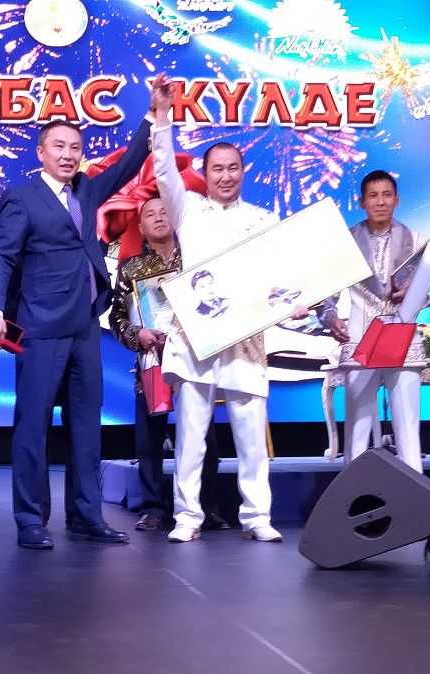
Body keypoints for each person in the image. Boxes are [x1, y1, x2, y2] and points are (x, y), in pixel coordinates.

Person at [0, 76, 168, 550]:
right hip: (40, 325)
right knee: (33, 425)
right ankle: (30, 519)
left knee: (87, 427)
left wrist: (152, 115)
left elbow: (128, 163)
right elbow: (2, 257)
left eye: (75, 148)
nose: (67, 155)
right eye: (59, 146)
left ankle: (86, 515)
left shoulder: (86, 189)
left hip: (85, 324)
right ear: (41, 152)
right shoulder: (22, 197)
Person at [151, 83, 304, 543]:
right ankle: (187, 517)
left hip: (246, 341)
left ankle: (257, 517)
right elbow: (164, 168)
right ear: (204, 173)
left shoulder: (263, 219)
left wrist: (294, 306)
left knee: (251, 436)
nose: (225, 176)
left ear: (242, 171)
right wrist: (162, 119)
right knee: (191, 436)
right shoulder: (188, 210)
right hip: (196, 339)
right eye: (217, 168)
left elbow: (278, 280)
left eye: (232, 168)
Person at [109, 197, 228, 531]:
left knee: (203, 435)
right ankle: (153, 507)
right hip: (151, 361)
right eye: (151, 214)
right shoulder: (130, 268)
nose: (159, 217)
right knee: (149, 439)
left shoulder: (194, 259)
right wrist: (137, 334)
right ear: (142, 227)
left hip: (193, 359)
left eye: (165, 212)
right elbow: (117, 316)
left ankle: (206, 507)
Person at [319, 170, 424, 472]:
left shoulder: (416, 239)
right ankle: (354, 495)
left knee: (409, 429)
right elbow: (326, 294)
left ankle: (413, 495)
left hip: (402, 339)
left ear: (397, 200)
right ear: (362, 202)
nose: (381, 202)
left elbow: (426, 293)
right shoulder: (345, 242)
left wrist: (411, 294)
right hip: (360, 339)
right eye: (373, 196)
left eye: (387, 195)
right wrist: (330, 318)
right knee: (357, 429)